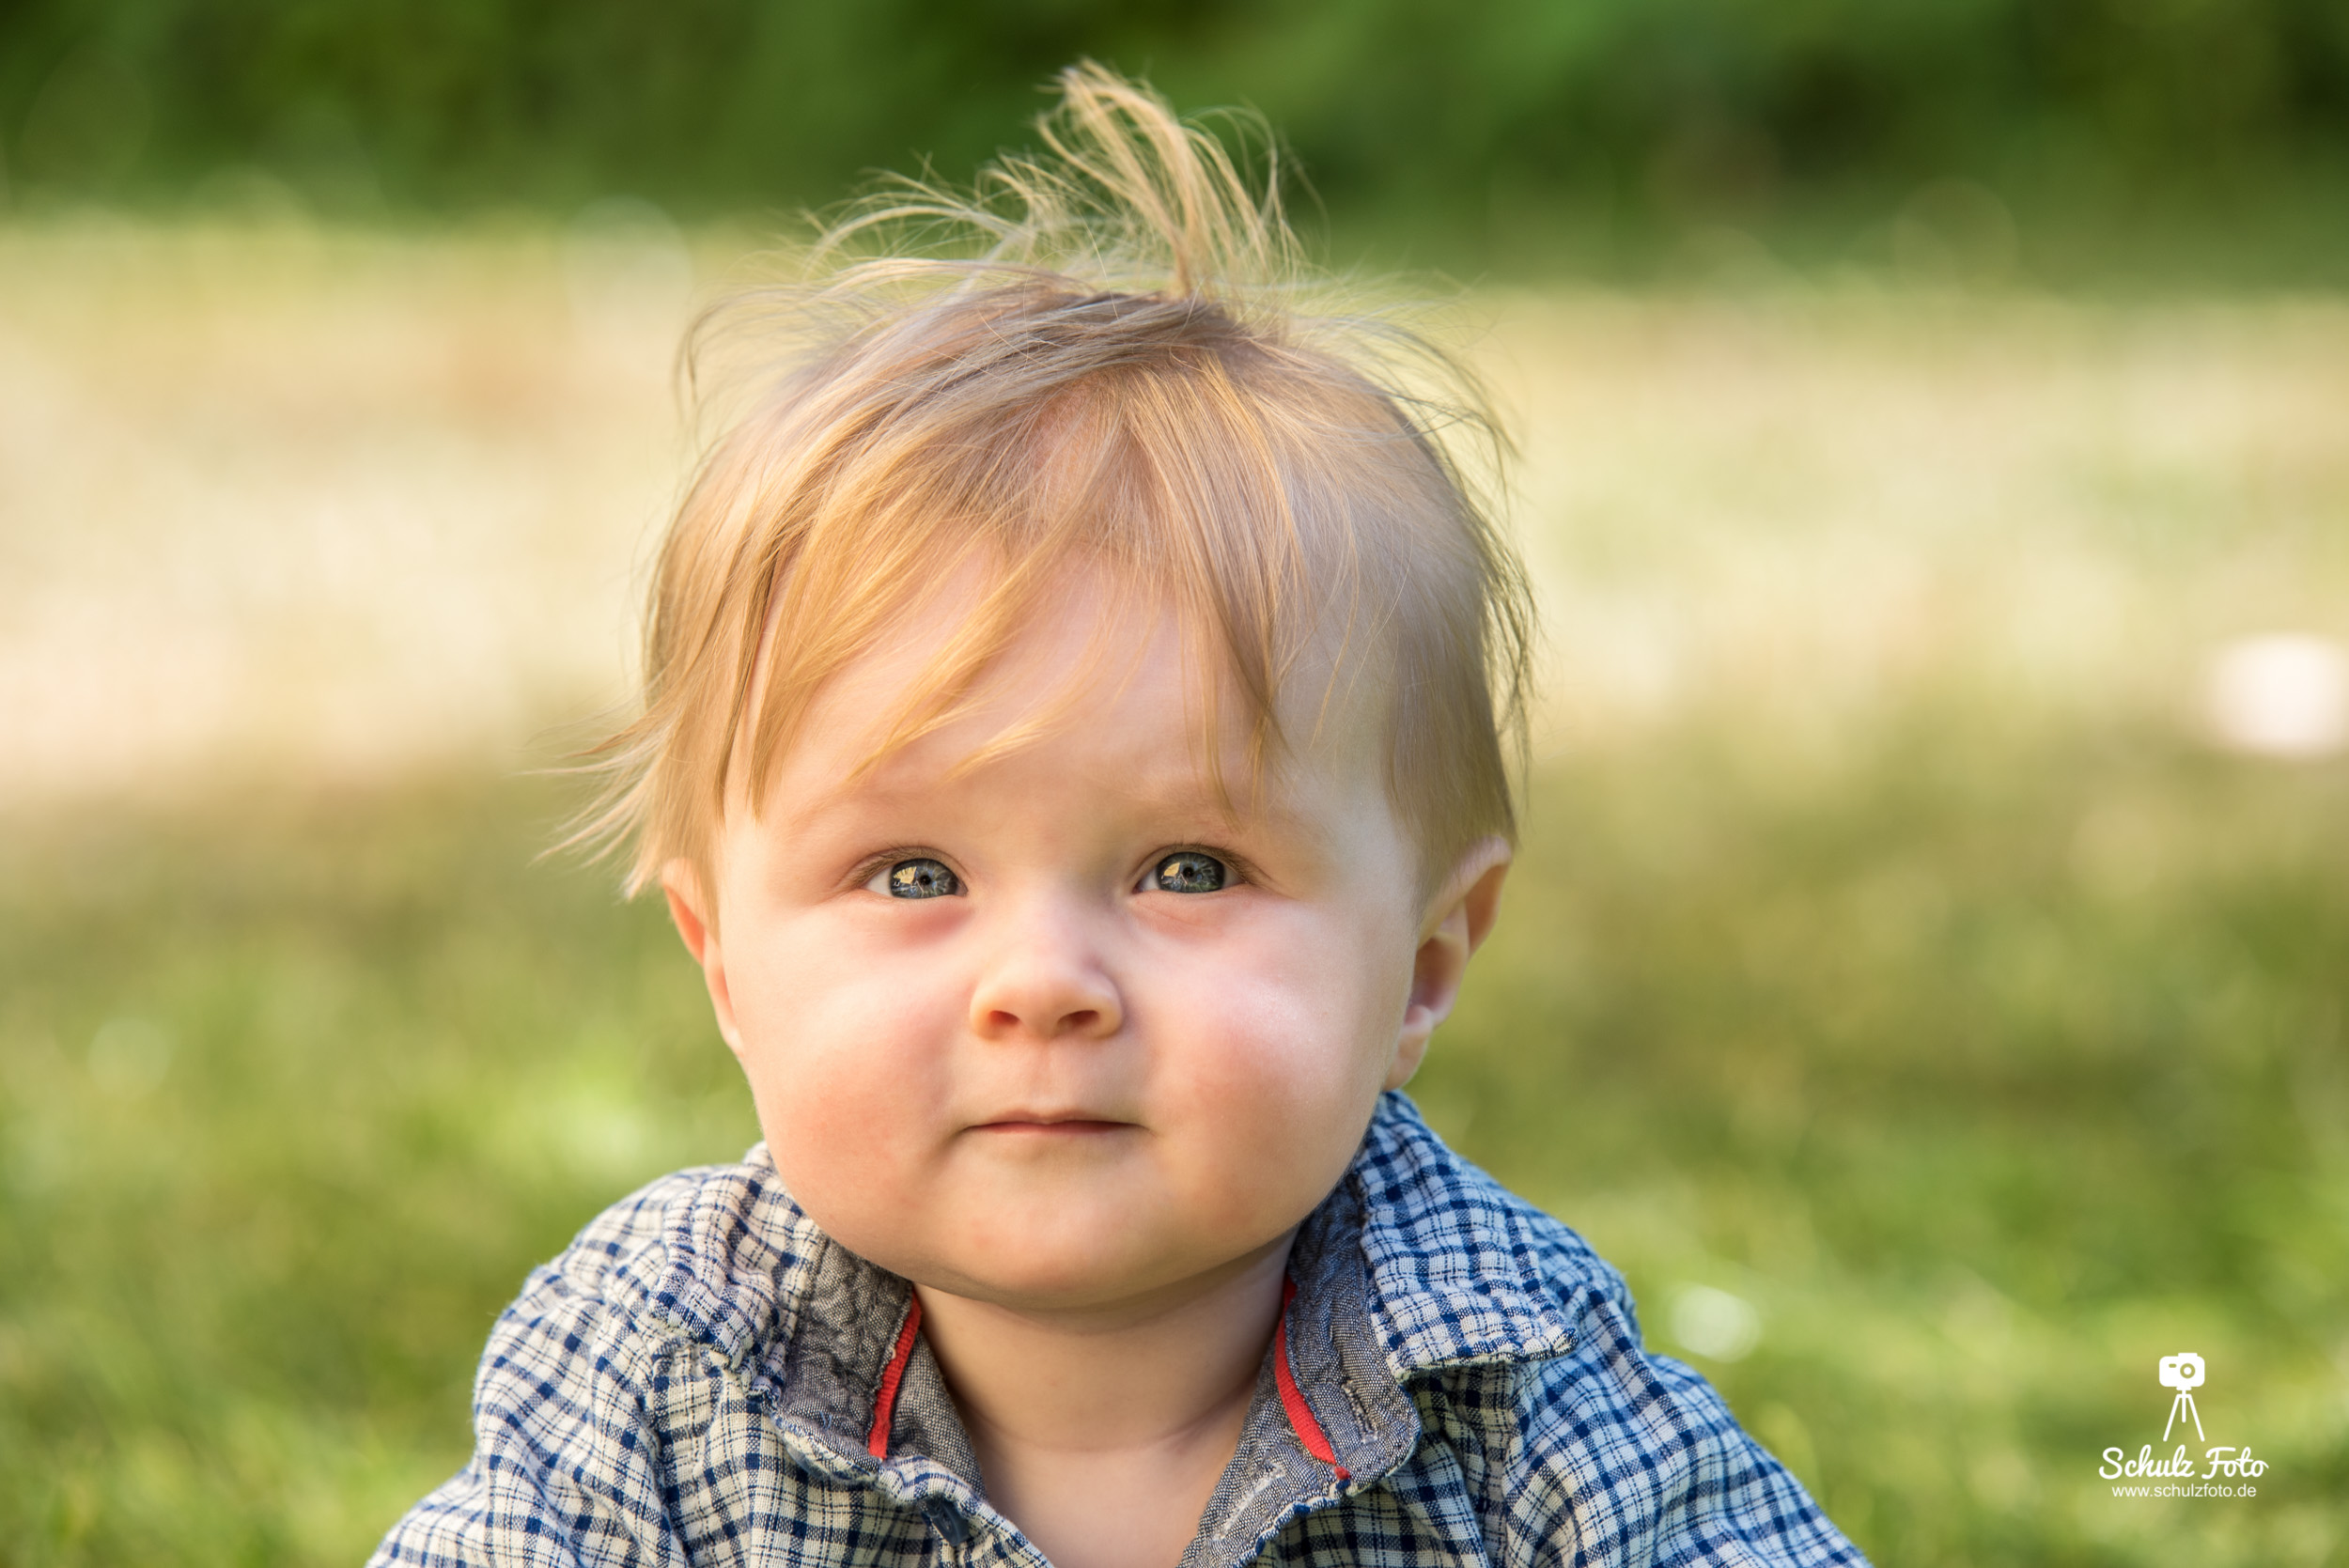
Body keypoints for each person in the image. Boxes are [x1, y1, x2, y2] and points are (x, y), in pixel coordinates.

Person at [373, 62, 1867, 1568]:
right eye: (912, 872)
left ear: (1423, 962)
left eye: (1189, 867)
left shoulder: (1507, 1371)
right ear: (722, 963)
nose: (1042, 985)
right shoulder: (663, 1359)